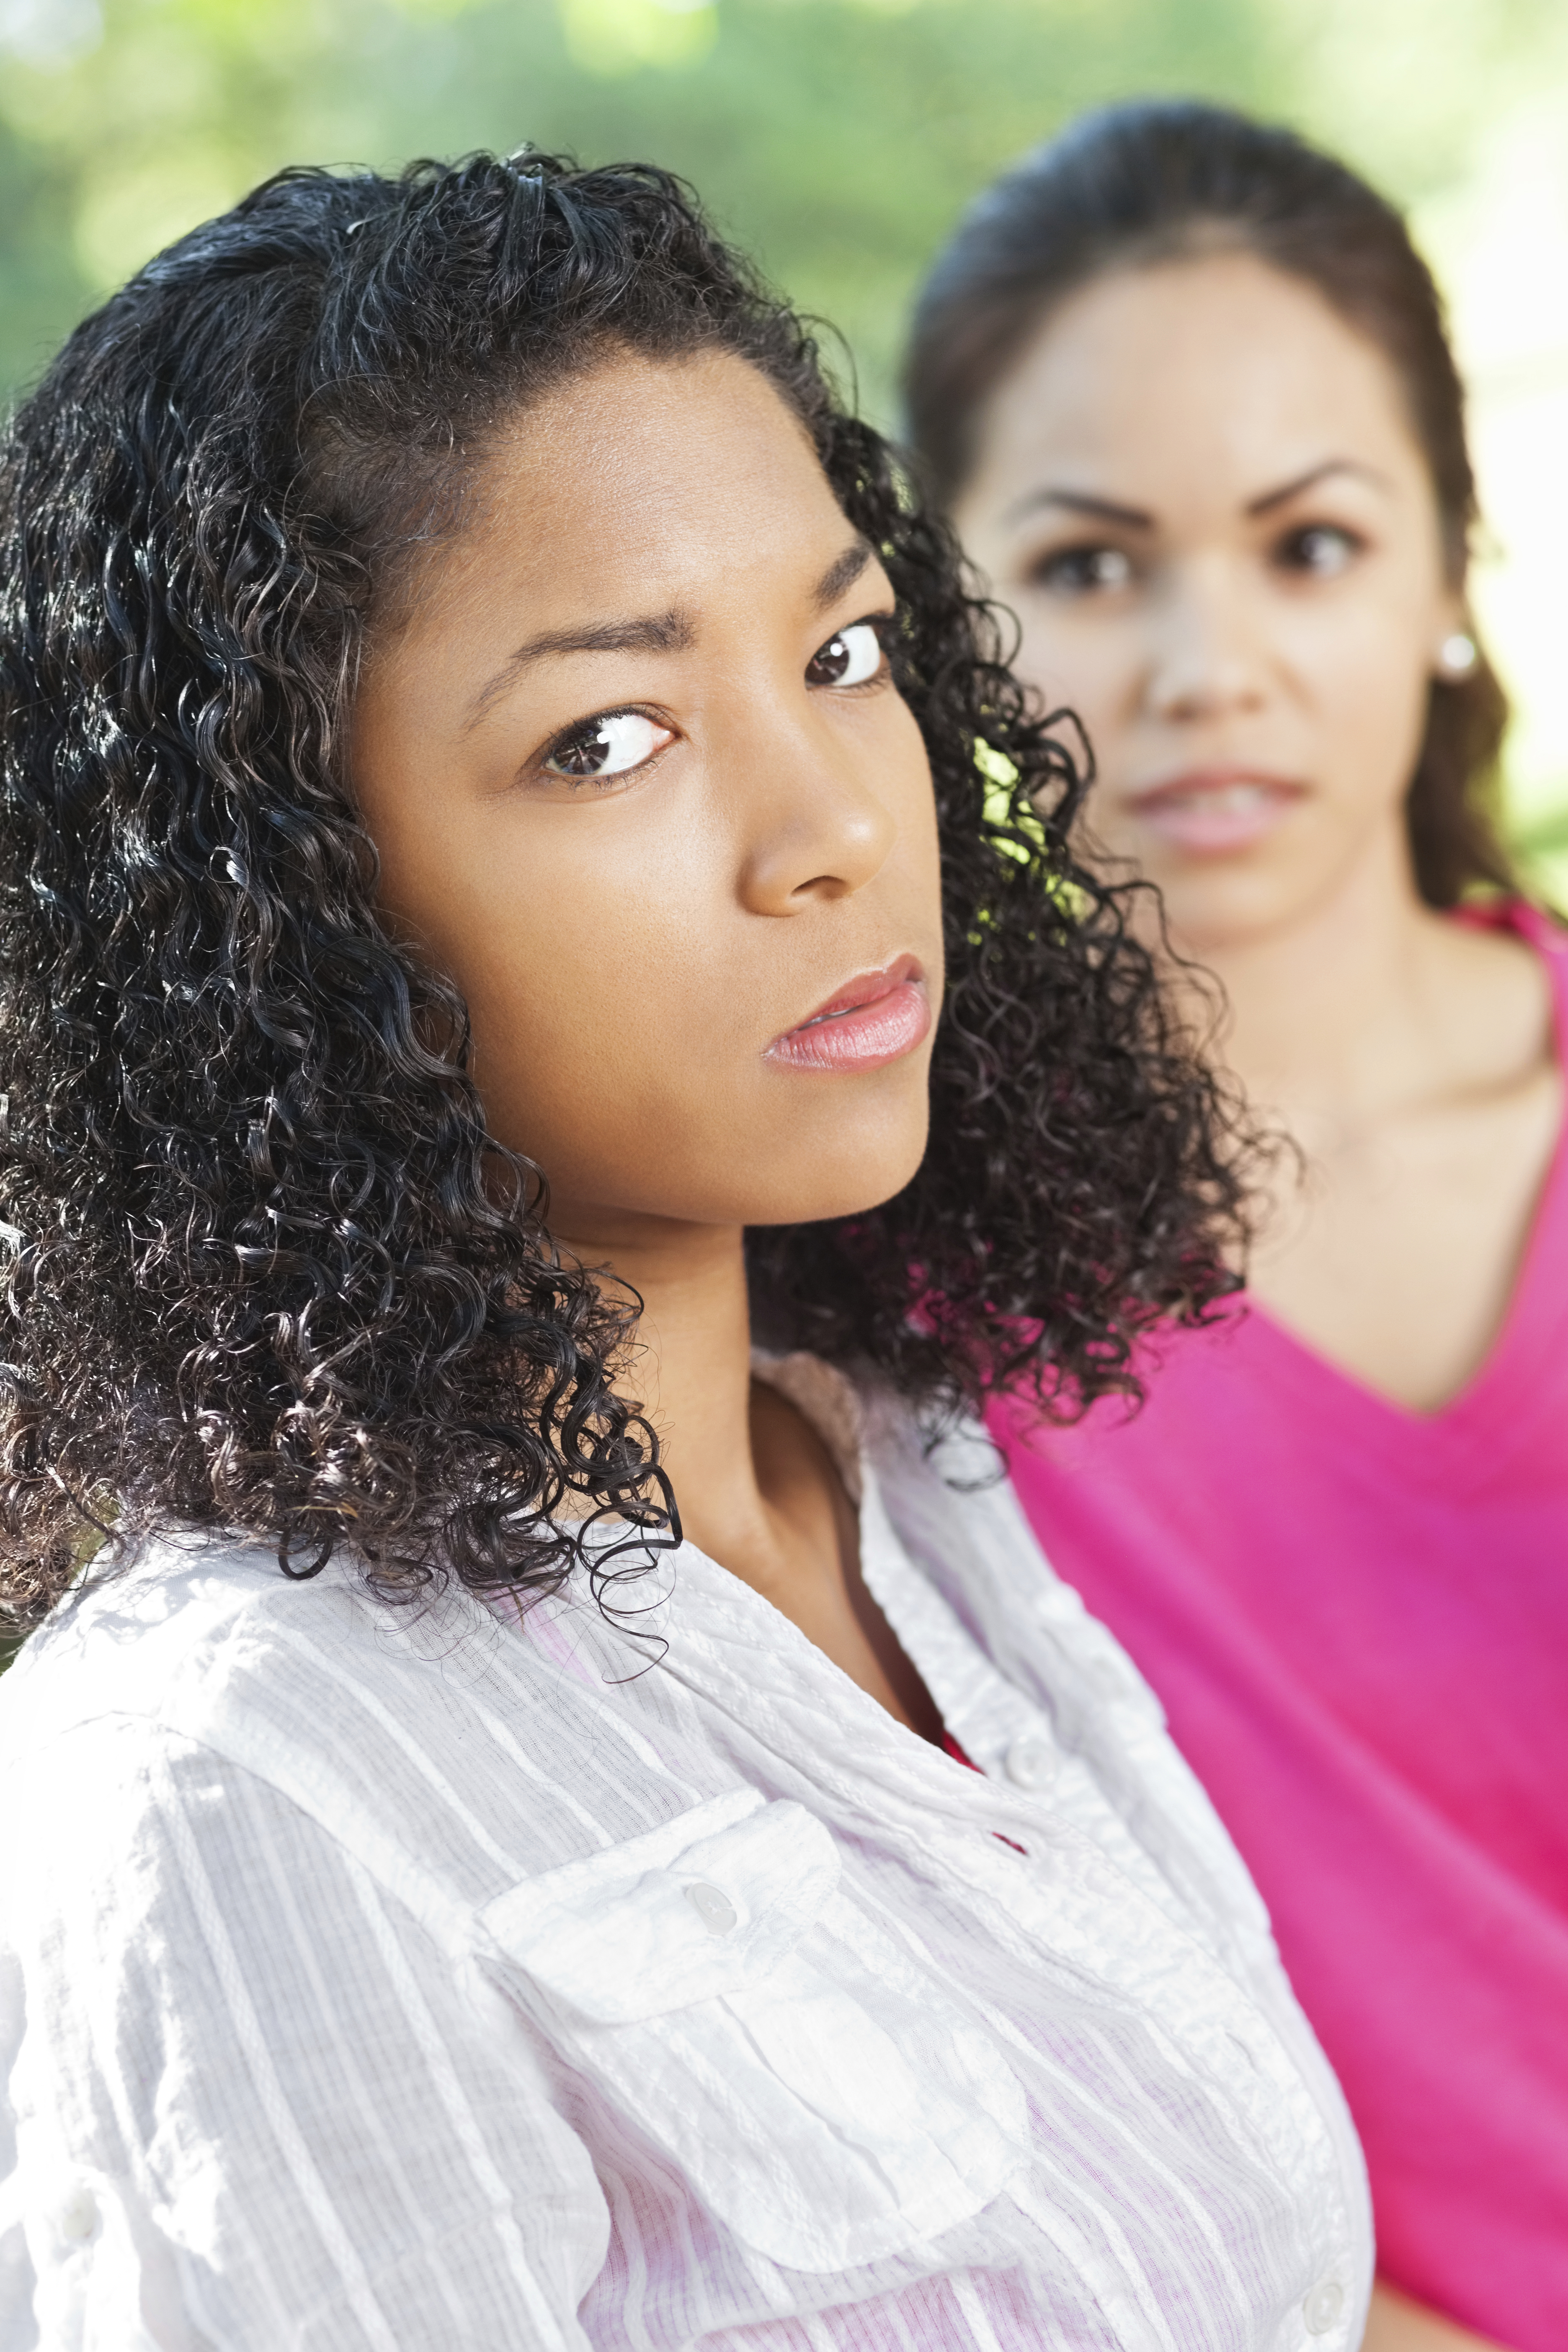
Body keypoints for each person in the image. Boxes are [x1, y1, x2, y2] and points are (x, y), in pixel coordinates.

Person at [0, 152, 1369, 2348]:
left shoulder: (913, 1478)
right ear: (288, 904)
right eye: (608, 737)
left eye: (841, 653)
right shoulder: (238, 1797)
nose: (834, 824)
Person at [904, 98, 1568, 2352]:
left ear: (1449, 564)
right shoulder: (875, 1300)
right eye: (1092, 566)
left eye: (1308, 544)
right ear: (941, 628)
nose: (1210, 665)